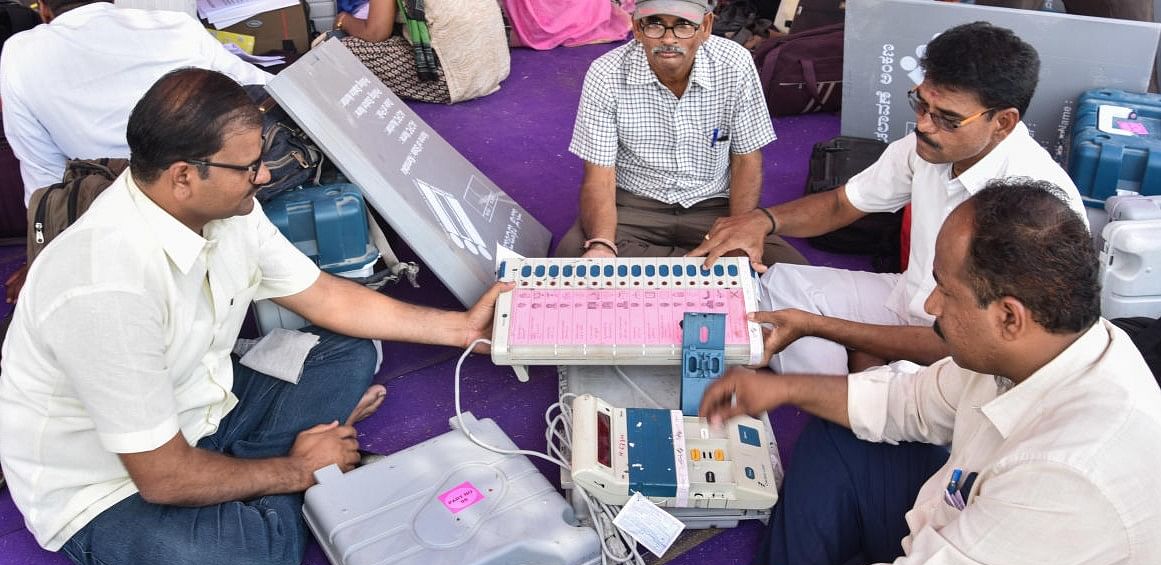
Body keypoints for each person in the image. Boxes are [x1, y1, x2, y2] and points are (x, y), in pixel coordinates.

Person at [0, 68, 508, 565]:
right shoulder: (105, 285)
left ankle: (259, 473)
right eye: (249, 167)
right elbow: (161, 476)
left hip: (204, 408)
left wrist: (463, 329)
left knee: (351, 349)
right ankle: (291, 466)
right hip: (113, 483)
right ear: (183, 176)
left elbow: (324, 296)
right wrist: (299, 469)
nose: (264, 176)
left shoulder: (228, 208)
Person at [701, 179, 1161, 565]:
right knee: (839, 431)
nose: (931, 305)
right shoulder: (1044, 346)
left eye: (946, 290)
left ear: (1008, 316)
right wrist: (783, 390)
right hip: (959, 519)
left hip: (978, 559)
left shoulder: (1070, 476)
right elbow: (905, 401)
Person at [689, 21, 1086, 375]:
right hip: (907, 298)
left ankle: (846, 389)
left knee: (825, 344)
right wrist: (763, 220)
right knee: (777, 286)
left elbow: (956, 343)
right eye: (920, 103)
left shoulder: (1033, 211)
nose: (924, 125)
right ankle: (844, 388)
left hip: (966, 359)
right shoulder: (932, 145)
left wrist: (825, 327)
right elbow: (842, 204)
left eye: (947, 118)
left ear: (1003, 122)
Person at [0, 0, 270, 302]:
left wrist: (42, 262)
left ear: (43, 8)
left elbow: (44, 177)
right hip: (208, 199)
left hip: (108, 224)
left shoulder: (19, 56)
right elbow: (270, 93)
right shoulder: (175, 29)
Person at [553, 0, 807, 266]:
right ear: (637, 28)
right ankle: (694, 270)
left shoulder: (735, 64)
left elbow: (747, 160)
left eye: (684, 25)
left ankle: (663, 271)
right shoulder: (605, 73)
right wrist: (603, 243)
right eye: (655, 25)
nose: (669, 39)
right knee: (575, 258)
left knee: (790, 269)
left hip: (714, 206)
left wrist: (738, 232)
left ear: (706, 26)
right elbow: (599, 175)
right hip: (633, 206)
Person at [327, 0, 508, 103]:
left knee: (335, 50)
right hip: (494, 64)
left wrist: (343, 20)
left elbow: (376, 33)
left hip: (457, 79)